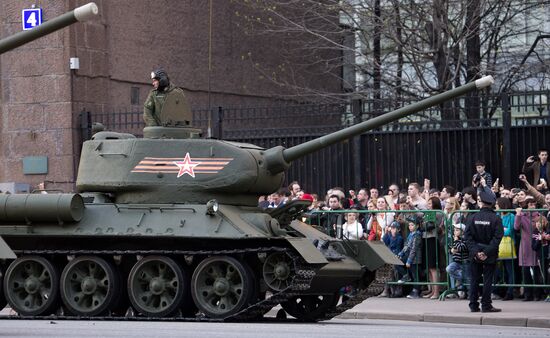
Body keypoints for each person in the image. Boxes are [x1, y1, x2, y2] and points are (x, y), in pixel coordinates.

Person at [463, 188, 503, 313]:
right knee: (487, 280)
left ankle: (473, 305)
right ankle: (486, 305)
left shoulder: (472, 217)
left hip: (475, 252)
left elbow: (467, 237)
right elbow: (497, 238)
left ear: (481, 202)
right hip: (489, 253)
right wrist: (485, 252)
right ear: (491, 203)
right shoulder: (496, 219)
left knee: (474, 279)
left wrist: (476, 252)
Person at [445, 223, 469, 298]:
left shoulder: (465, 239)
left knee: (468, 279)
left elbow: (461, 248)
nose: (455, 232)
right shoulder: (454, 239)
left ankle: (470, 293)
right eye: (454, 230)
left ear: (462, 231)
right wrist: (451, 250)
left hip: (465, 262)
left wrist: (456, 241)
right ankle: (462, 279)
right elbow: (450, 248)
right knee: (449, 269)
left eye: (457, 230)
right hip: (457, 261)